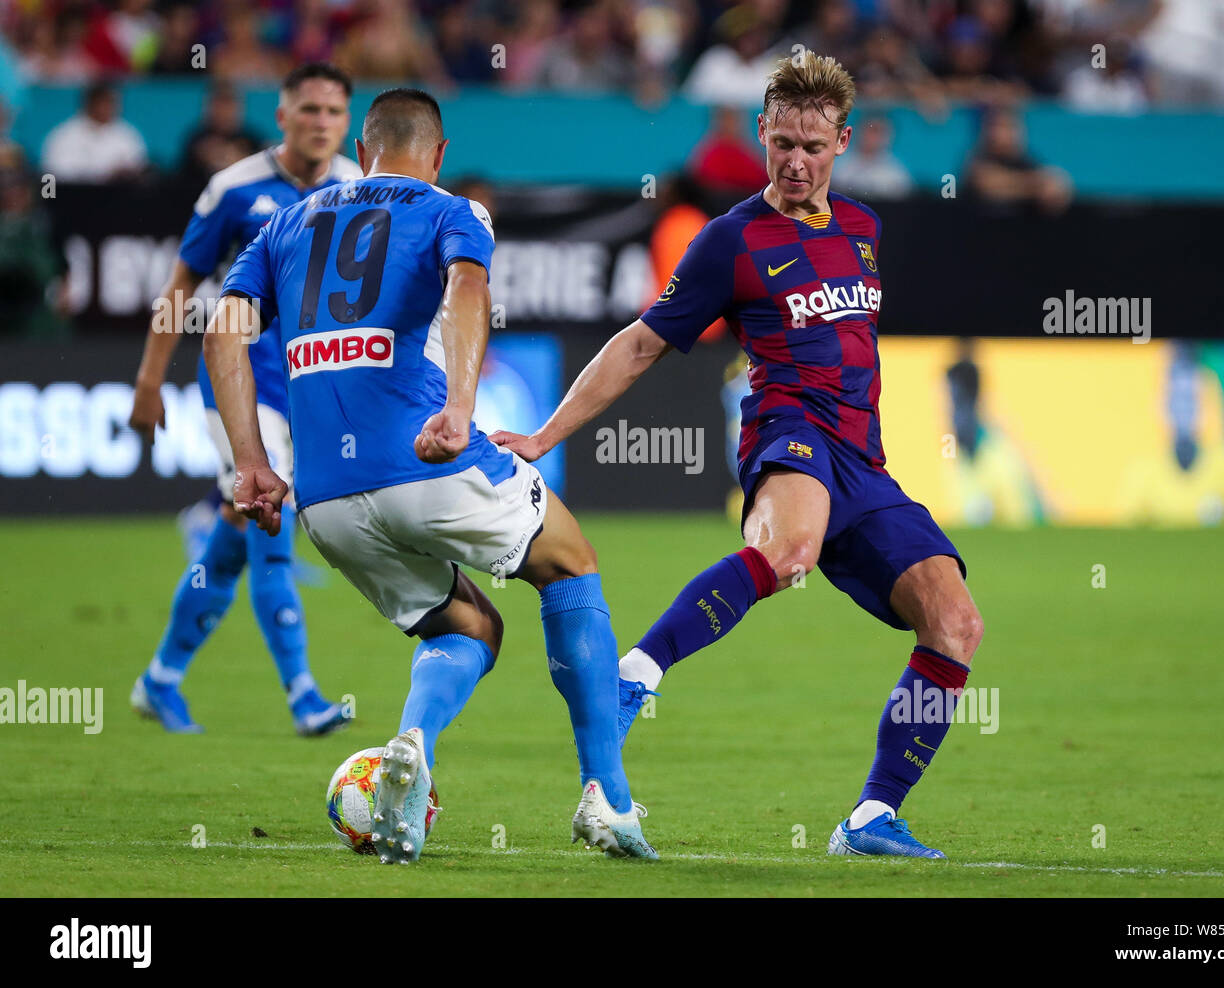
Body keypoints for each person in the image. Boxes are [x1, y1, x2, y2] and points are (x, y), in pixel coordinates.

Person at [493, 52, 983, 859]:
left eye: (814, 147)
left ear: (843, 143)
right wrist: (546, 436)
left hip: (865, 461)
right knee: (787, 552)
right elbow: (642, 343)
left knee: (956, 623)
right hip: (787, 431)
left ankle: (870, 820)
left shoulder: (865, 230)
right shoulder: (731, 241)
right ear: (760, 131)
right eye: (782, 141)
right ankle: (635, 675)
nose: (796, 161)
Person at [206, 87, 656, 864]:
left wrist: (251, 463)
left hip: (326, 502)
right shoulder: (454, 210)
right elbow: (469, 289)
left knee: (467, 623)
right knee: (571, 563)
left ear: (362, 143)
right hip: (424, 456)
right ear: (438, 153)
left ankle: (411, 742)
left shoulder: (284, 223)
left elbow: (224, 328)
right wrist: (459, 409)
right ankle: (607, 799)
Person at [127, 63, 360, 735]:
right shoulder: (233, 189)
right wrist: (148, 380)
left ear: (347, 123)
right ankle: (305, 695)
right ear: (282, 116)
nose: (320, 122)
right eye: (308, 109)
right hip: (238, 383)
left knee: (236, 530)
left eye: (333, 112)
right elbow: (179, 287)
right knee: (271, 510)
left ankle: (160, 679)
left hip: (311, 385)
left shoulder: (357, 189)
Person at [39, 81, 147, 183]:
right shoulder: (64, 136)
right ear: (89, 104)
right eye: (104, 103)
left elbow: (139, 169)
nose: (109, 108)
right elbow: (53, 175)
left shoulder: (127, 134)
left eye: (113, 103)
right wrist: (102, 174)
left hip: (118, 198)